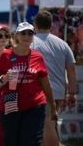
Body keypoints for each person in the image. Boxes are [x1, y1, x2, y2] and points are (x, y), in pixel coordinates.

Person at [0, 22, 57, 146]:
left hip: (35, 106)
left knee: (31, 142)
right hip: (11, 106)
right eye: (23, 33)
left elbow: (46, 84)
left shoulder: (37, 56)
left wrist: (53, 106)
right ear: (16, 36)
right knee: (12, 142)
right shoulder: (6, 55)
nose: (26, 36)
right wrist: (4, 79)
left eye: (30, 33)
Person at [32, 10, 77, 146]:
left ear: (35, 24)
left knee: (47, 124)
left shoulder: (31, 42)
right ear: (51, 25)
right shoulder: (62, 44)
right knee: (49, 123)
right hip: (59, 91)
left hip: (40, 91)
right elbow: (71, 70)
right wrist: (72, 93)